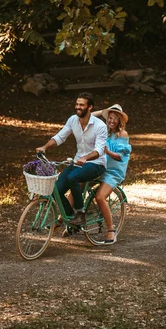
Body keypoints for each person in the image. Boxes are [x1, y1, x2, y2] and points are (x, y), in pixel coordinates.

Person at [36, 92, 107, 226]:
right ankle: (70, 217)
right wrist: (44, 147)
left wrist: (86, 157)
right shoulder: (73, 120)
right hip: (78, 162)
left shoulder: (100, 126)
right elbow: (60, 137)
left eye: (81, 105)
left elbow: (99, 150)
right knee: (55, 190)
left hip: (96, 164)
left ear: (90, 107)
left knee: (72, 177)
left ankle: (80, 213)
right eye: (77, 104)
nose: (78, 107)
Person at [92, 104, 132, 244]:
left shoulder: (122, 134)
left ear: (119, 120)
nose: (112, 121)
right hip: (101, 167)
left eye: (115, 118)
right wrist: (103, 112)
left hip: (113, 172)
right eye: (110, 118)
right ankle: (64, 220)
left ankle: (111, 230)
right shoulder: (104, 131)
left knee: (100, 197)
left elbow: (120, 156)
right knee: (78, 181)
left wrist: (107, 152)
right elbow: (88, 116)